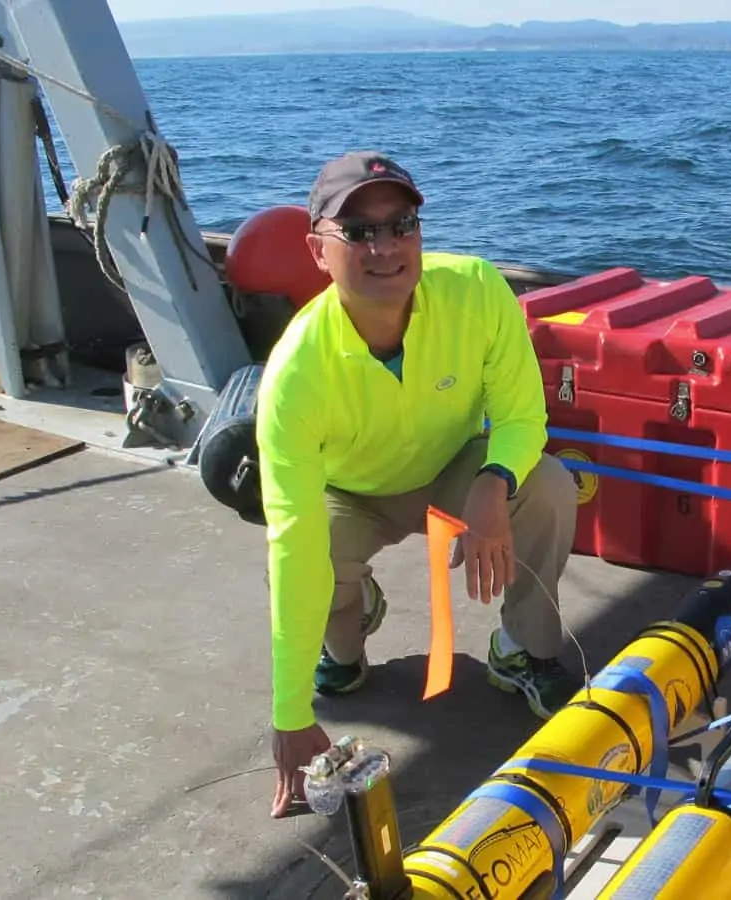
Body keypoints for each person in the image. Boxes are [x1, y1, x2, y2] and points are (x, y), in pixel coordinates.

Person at [255, 150, 581, 818]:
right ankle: (348, 630)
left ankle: (522, 650)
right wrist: (290, 715)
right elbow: (291, 538)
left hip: (451, 467)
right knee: (322, 605)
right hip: (353, 494)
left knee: (546, 484)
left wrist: (493, 482)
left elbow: (522, 416)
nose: (385, 246)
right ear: (318, 250)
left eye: (401, 225)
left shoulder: (479, 288)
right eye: (359, 231)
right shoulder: (294, 373)